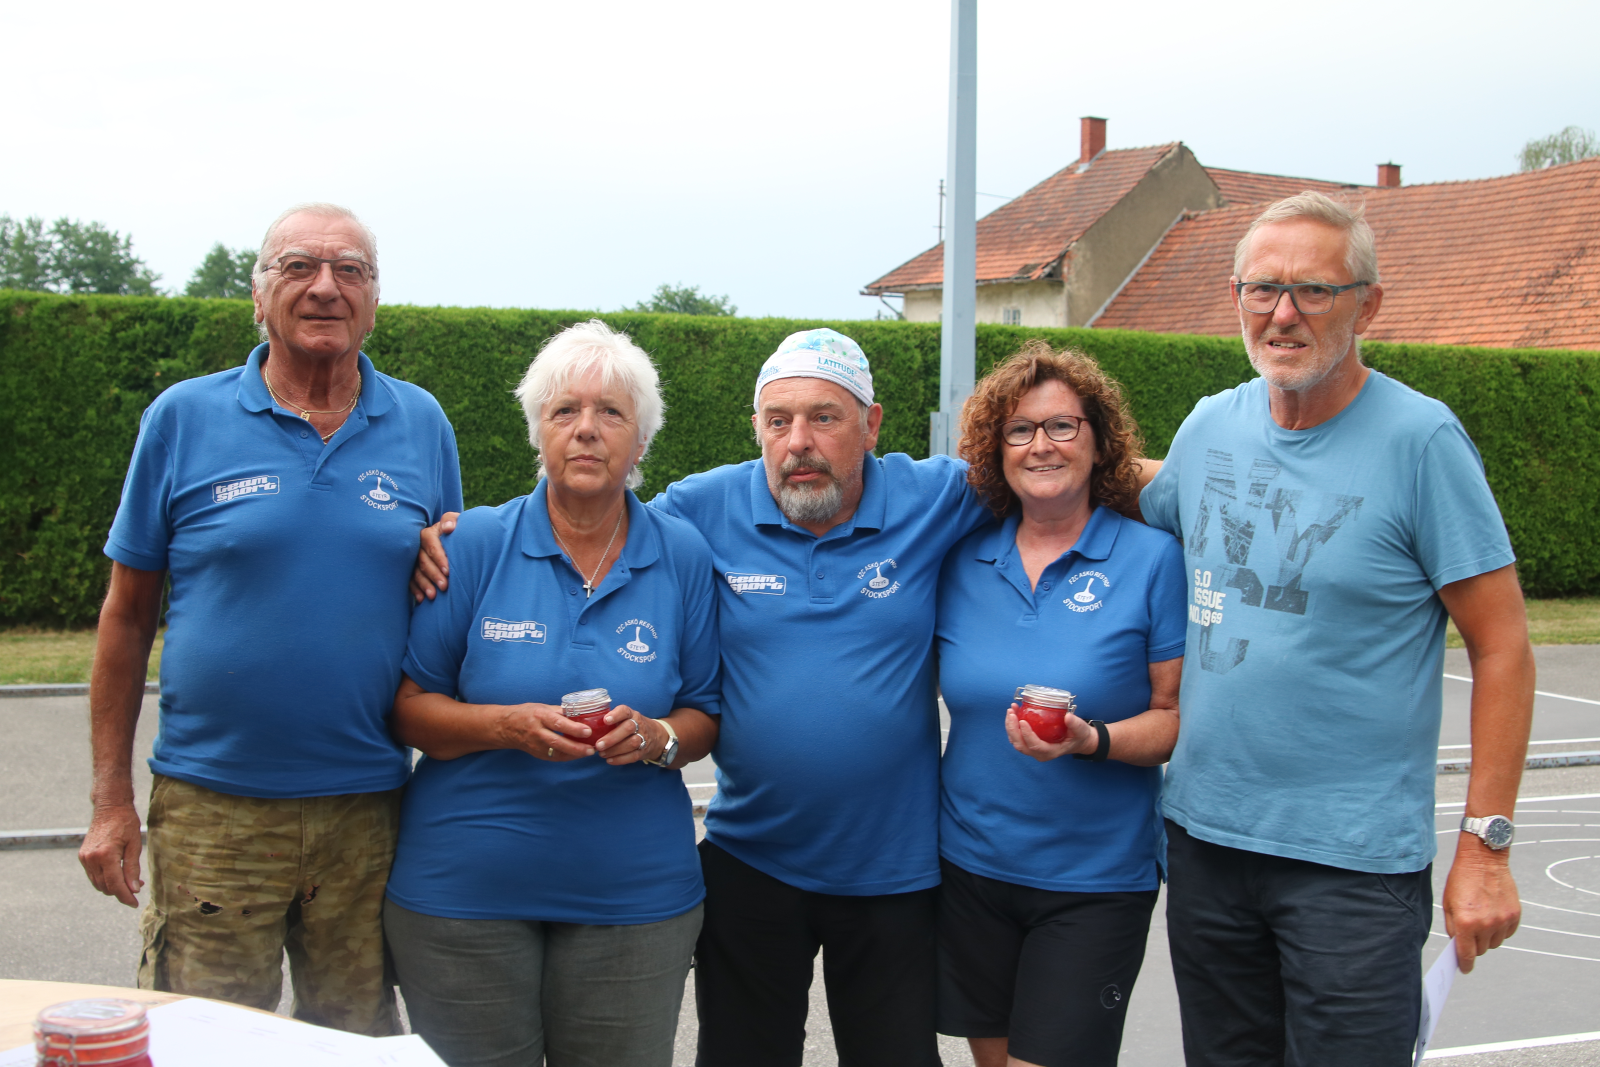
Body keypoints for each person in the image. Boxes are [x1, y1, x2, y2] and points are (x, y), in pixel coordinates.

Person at [415, 327, 993, 1066]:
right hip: (752, 860)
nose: (799, 441)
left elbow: (1052, 474)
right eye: (778, 420)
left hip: (894, 869)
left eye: (824, 417)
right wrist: (442, 537)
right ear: (756, 427)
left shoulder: (935, 496)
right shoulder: (700, 510)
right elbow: (598, 507)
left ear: (871, 424)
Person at [1139, 191, 1536, 1065]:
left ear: (1368, 305)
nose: (1283, 313)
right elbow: (1138, 493)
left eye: (1314, 290)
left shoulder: (1421, 442)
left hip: (1351, 867)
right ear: (1236, 297)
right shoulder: (1210, 425)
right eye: (1262, 288)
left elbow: (1503, 644)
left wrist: (1486, 848)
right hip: (1205, 845)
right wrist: (1023, 454)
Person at [79, 203, 463, 1034]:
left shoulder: (422, 423)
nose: (326, 287)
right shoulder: (182, 417)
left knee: (354, 1041)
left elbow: (446, 595)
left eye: (350, 270)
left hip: (367, 808)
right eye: (299, 266)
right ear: (258, 296)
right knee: (206, 1041)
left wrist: (446, 550)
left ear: (373, 300)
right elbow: (126, 616)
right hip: (214, 810)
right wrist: (111, 799)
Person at [384, 320, 721, 1067]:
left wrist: (657, 738)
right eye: (565, 410)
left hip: (634, 901)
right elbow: (409, 710)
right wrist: (505, 726)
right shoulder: (473, 544)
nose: (586, 429)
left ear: (641, 440)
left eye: (611, 413)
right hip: (463, 898)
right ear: (539, 431)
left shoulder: (683, 555)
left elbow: (704, 712)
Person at [935, 342, 1186, 1067]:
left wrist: (1090, 739)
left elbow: (1173, 719)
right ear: (996, 450)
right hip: (971, 867)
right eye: (1019, 430)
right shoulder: (962, 559)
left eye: (1062, 426)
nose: (1040, 445)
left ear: (1099, 442)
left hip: (1094, 880)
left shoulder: (1152, 558)